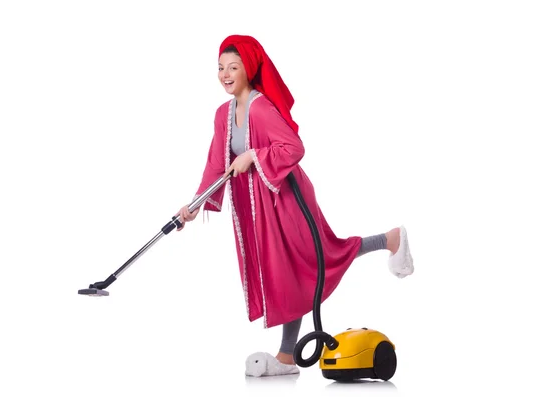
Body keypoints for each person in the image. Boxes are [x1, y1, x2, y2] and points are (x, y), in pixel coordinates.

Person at [176, 34, 414, 376]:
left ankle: (288, 357)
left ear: (249, 69)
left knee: (308, 263)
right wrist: (193, 206)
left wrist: (253, 156)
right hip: (258, 205)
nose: (225, 74)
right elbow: (216, 165)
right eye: (220, 68)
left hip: (286, 197)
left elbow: (293, 148)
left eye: (233, 67)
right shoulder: (222, 114)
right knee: (288, 268)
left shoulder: (261, 107)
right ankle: (389, 241)